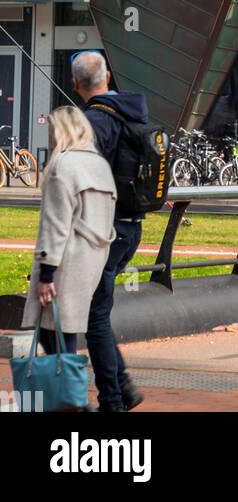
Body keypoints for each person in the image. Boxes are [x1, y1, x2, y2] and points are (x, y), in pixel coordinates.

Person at [21, 106, 116, 409]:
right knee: (66, 330)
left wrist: (47, 272)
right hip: (94, 257)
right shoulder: (100, 164)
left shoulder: (62, 165)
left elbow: (55, 223)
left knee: (54, 333)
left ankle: (71, 400)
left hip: (64, 260)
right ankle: (73, 398)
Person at [72, 51, 146, 413]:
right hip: (132, 227)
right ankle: (122, 387)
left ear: (75, 84)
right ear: (110, 76)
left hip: (105, 229)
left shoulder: (93, 123)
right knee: (98, 311)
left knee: (94, 317)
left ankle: (115, 399)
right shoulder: (134, 112)